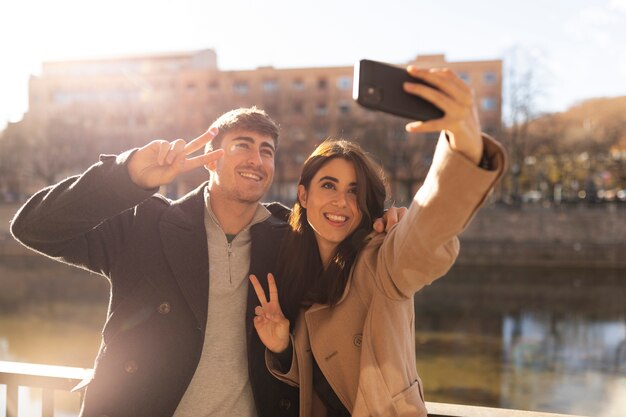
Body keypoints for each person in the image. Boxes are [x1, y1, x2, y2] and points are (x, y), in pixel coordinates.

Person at [10, 106, 403, 417]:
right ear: (211, 160)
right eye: (242, 145)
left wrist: (386, 227)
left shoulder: (292, 239)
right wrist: (126, 175)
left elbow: (347, 241)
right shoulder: (146, 224)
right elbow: (34, 228)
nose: (257, 159)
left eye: (267, 150)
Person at [249, 67, 506, 417]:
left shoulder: (381, 258)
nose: (342, 201)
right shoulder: (299, 268)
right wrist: (282, 349)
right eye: (329, 185)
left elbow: (427, 232)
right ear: (303, 195)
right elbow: (324, 376)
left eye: (355, 191)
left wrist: (463, 142)